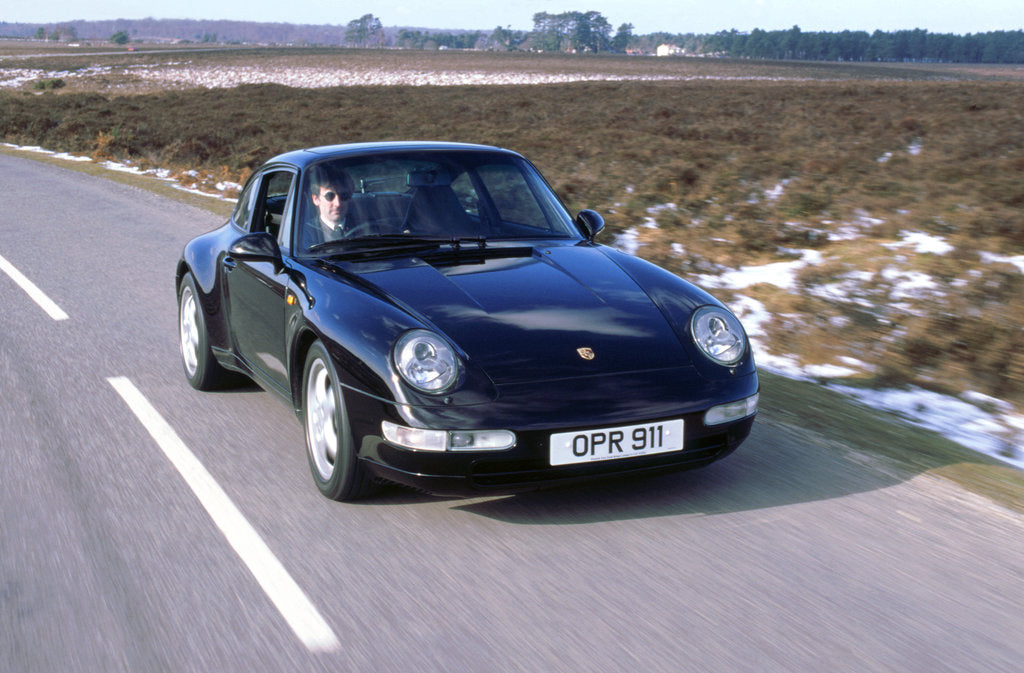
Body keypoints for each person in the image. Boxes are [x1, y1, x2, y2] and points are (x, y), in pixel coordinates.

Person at [302, 162, 356, 248]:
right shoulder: (304, 234)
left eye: (344, 196)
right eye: (330, 196)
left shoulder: (365, 227)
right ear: (316, 199)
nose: (338, 203)